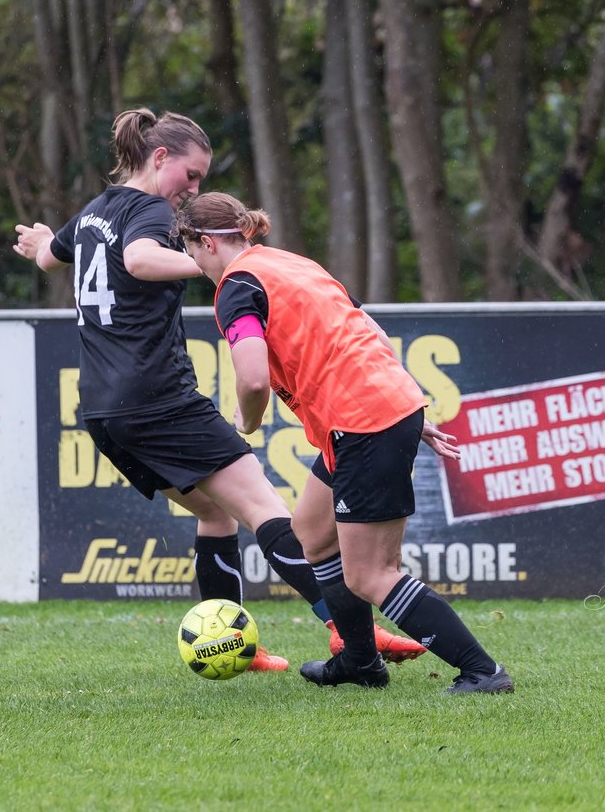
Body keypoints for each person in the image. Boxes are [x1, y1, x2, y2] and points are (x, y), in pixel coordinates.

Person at [12, 109, 425, 671]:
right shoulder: (150, 209)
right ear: (160, 159)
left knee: (215, 513)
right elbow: (136, 258)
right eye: (192, 175)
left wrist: (41, 239)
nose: (193, 190)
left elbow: (45, 257)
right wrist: (209, 260)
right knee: (267, 510)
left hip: (106, 410)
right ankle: (349, 631)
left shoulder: (93, 212)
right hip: (158, 398)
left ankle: (227, 640)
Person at [178, 192, 514, 694]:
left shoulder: (235, 288)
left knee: (370, 574)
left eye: (189, 251)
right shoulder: (290, 263)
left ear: (206, 242)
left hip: (361, 420)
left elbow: (251, 381)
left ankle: (483, 671)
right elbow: (369, 328)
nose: (191, 263)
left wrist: (246, 423)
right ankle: (360, 661)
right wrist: (403, 407)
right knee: (311, 533)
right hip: (377, 409)